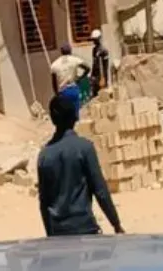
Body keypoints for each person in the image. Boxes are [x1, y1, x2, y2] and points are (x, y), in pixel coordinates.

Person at [36, 91, 123, 237]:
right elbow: (100, 191)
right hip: (84, 228)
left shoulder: (44, 155)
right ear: (75, 117)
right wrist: (116, 224)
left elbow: (44, 202)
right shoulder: (84, 148)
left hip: (58, 233)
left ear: (52, 119)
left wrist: (50, 236)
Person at [50, 43, 87, 112]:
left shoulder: (54, 64)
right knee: (75, 113)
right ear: (70, 51)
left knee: (66, 114)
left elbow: (54, 83)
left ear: (61, 52)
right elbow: (87, 68)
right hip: (74, 89)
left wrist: (57, 94)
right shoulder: (75, 59)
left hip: (63, 91)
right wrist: (80, 78)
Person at [89, 29, 112, 94]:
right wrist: (92, 76)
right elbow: (94, 63)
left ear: (99, 38)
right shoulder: (94, 50)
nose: (94, 41)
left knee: (103, 95)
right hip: (95, 76)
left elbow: (106, 67)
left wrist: (104, 78)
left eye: (95, 39)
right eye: (93, 39)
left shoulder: (104, 51)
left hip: (101, 76)